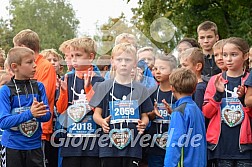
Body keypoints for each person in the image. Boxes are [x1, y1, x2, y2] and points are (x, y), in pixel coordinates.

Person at [90, 43, 153, 167]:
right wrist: (102, 121)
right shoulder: (103, 87)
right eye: (119, 59)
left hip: (132, 147)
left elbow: (145, 115)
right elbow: (96, 114)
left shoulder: (141, 89)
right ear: (113, 61)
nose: (123, 63)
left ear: (135, 63)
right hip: (108, 146)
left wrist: (143, 124)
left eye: (128, 60)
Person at [202, 37, 252, 166]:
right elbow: (206, 114)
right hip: (220, 147)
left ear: (245, 56)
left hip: (245, 148)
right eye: (225, 55)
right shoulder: (215, 80)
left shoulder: (249, 80)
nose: (228, 59)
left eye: (234, 55)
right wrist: (218, 95)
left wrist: (243, 100)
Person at [56, 37, 104, 167]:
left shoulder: (99, 80)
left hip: (93, 143)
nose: (74, 59)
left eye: (78, 55)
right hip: (71, 141)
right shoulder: (68, 78)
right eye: (71, 55)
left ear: (90, 57)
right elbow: (61, 110)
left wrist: (88, 88)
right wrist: (64, 92)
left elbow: (99, 110)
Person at [0, 47, 51, 167]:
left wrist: (40, 113)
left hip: (35, 146)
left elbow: (47, 115)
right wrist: (30, 113)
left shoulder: (39, 86)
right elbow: (3, 122)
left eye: (34, 61)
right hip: (12, 146)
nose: (34, 65)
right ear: (14, 66)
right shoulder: (5, 90)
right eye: (29, 62)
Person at [13, 29, 56, 166]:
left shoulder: (45, 66)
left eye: (16, 48)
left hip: (38, 131)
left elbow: (41, 99)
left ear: (23, 47)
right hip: (19, 130)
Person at [163, 68, 206, 167]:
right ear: (194, 88)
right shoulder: (197, 110)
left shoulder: (179, 112)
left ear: (172, 88)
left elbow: (174, 142)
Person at [146, 55, 177, 167]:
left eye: (162, 68)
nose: (158, 72)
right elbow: (146, 116)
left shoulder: (178, 92)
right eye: (155, 68)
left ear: (173, 70)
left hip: (175, 143)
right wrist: (153, 114)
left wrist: (173, 113)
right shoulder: (151, 92)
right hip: (155, 143)